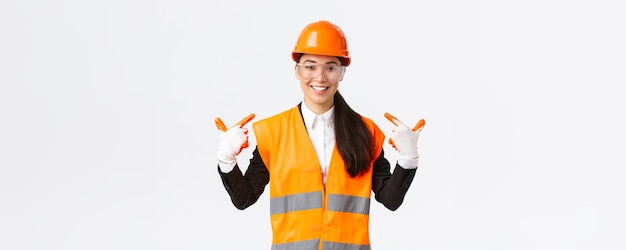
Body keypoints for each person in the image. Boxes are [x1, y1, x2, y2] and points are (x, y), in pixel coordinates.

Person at [215, 20, 425, 250]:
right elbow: (244, 199)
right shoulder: (272, 133)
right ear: (297, 70)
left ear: (342, 72)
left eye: (331, 67)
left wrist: (408, 159)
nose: (320, 77)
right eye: (310, 66)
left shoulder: (365, 132)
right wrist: (227, 160)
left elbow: (390, 200)